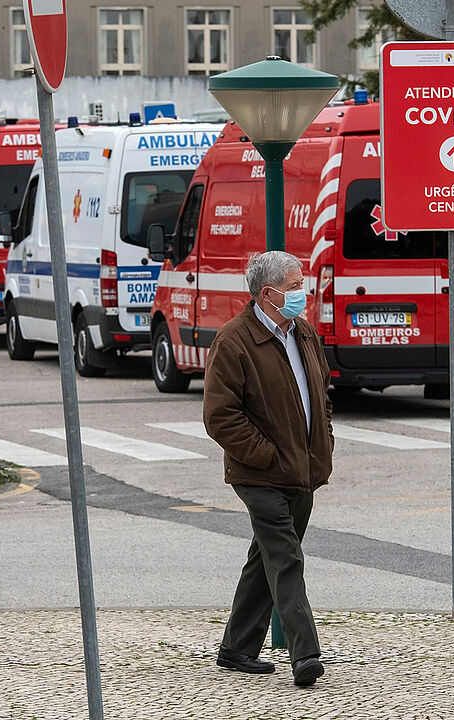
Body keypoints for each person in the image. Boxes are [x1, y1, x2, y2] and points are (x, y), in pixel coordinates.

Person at [203, 250, 334, 687]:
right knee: (285, 557)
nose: (304, 292)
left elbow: (322, 395)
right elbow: (220, 416)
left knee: (265, 557)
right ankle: (305, 654)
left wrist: (323, 443)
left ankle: (236, 648)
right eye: (296, 286)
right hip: (259, 474)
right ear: (268, 293)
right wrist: (267, 456)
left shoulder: (303, 334)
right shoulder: (234, 340)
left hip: (303, 470)